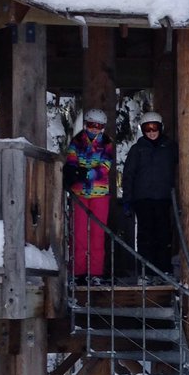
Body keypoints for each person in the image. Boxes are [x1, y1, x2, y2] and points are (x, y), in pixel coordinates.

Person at [122, 110, 178, 280]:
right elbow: (129, 175)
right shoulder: (137, 149)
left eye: (155, 128)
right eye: (148, 128)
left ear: (161, 128)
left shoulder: (169, 148)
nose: (152, 132)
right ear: (142, 130)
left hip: (163, 197)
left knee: (163, 234)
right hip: (143, 198)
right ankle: (146, 270)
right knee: (146, 235)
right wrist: (127, 199)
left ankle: (163, 270)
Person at [63, 109, 114, 283]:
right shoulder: (77, 142)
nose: (95, 129)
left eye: (98, 126)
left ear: (103, 127)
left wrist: (87, 173)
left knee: (98, 234)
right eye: (92, 125)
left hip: (99, 194)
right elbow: (71, 162)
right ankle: (78, 272)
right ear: (86, 124)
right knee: (79, 233)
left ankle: (96, 273)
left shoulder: (107, 143)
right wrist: (77, 173)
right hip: (80, 194)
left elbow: (105, 166)